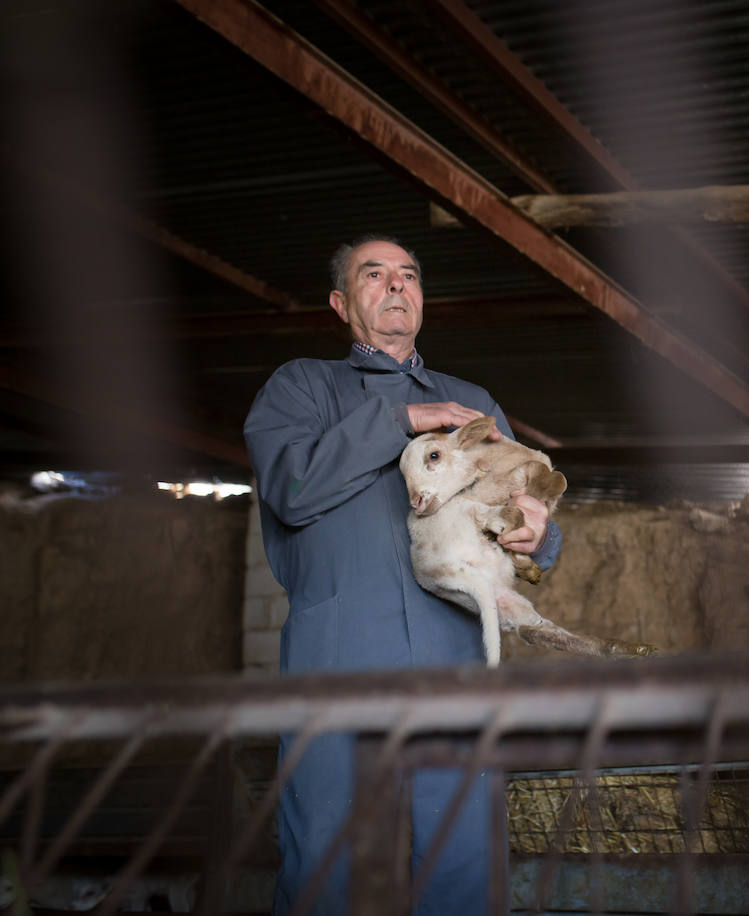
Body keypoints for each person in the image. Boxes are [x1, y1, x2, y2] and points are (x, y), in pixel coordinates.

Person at [243, 235, 561, 914]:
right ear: (341, 302)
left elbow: (518, 497)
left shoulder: (471, 400)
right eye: (375, 274)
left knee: (465, 856)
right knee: (326, 856)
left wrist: (538, 532)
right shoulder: (301, 386)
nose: (396, 286)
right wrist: (402, 420)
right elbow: (292, 489)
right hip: (337, 657)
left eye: (409, 275)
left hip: (455, 658)